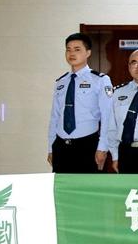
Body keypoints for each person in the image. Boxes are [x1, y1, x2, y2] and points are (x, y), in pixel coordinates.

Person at [47, 32, 113, 173]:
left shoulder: (100, 80)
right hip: (60, 145)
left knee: (87, 186)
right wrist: (51, 147)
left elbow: (107, 117)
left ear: (88, 53)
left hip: (87, 145)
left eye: (77, 49)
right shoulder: (61, 82)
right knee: (61, 185)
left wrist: (103, 147)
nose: (71, 53)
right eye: (68, 49)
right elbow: (55, 117)